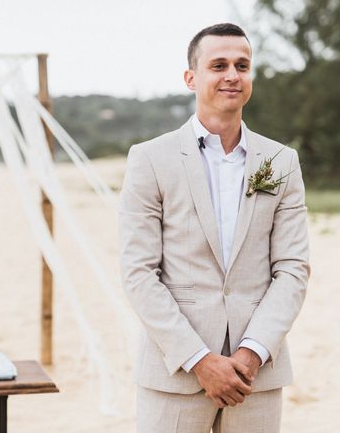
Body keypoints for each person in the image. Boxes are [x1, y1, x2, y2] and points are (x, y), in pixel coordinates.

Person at [119, 23, 310, 432]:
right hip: (175, 374)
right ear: (191, 78)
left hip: (254, 378)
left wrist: (252, 352)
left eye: (242, 65)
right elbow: (138, 273)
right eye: (218, 65)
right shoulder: (149, 159)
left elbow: (293, 269)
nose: (232, 75)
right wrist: (200, 360)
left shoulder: (281, 162)